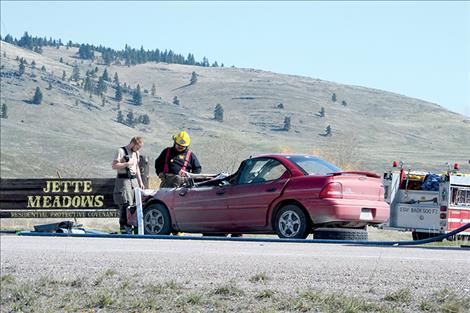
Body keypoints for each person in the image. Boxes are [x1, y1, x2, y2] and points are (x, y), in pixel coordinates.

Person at [112, 136, 145, 233]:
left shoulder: (136, 153)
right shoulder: (121, 151)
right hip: (123, 180)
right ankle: (124, 227)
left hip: (134, 180)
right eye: (137, 147)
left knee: (135, 204)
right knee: (125, 203)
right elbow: (114, 165)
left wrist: (140, 182)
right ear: (133, 143)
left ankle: (133, 227)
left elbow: (137, 168)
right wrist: (127, 164)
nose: (138, 149)